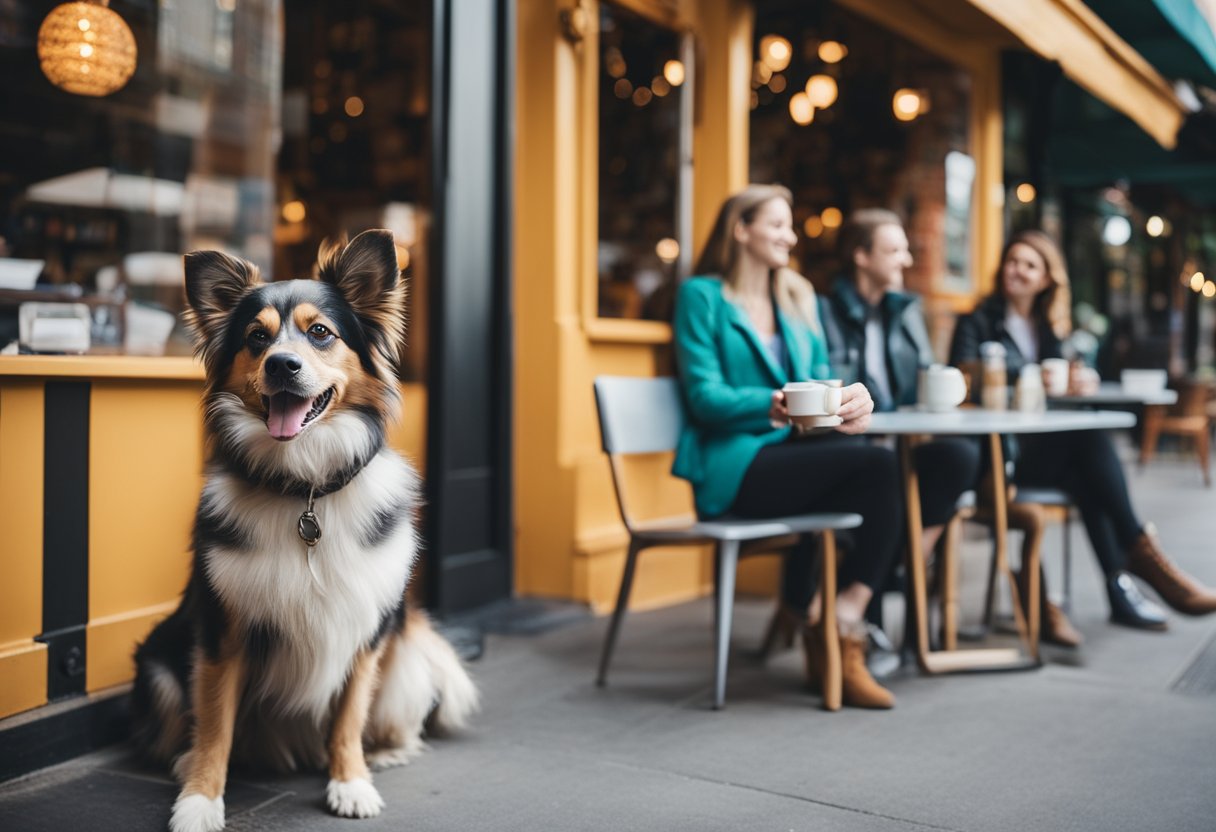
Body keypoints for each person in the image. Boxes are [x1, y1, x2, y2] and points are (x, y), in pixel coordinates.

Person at [672, 184, 904, 709]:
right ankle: (834, 631)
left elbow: (819, 382)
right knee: (877, 471)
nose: (789, 235)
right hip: (734, 464)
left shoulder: (797, 296)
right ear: (741, 230)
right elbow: (704, 398)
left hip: (791, 453)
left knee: (882, 469)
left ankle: (839, 619)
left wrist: (846, 406)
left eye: (788, 224)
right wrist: (769, 405)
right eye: (776, 224)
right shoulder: (702, 297)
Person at [949, 230, 1216, 631]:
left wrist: (1076, 383)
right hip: (999, 455)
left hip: (1040, 450)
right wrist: (1037, 376)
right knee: (1091, 444)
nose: (1017, 270)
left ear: (1045, 280)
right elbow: (964, 381)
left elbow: (1056, 395)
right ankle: (1141, 558)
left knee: (1087, 476)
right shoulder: (976, 321)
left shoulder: (1046, 329)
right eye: (1012, 261)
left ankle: (1122, 586)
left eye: (1029, 265)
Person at [818, 209, 983, 597]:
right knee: (885, 473)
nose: (906, 261)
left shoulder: (906, 313)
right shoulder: (822, 312)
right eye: (894, 250)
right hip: (853, 449)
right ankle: (883, 577)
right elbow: (823, 386)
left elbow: (923, 383)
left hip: (897, 445)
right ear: (861, 256)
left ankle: (904, 557)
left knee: (962, 454)